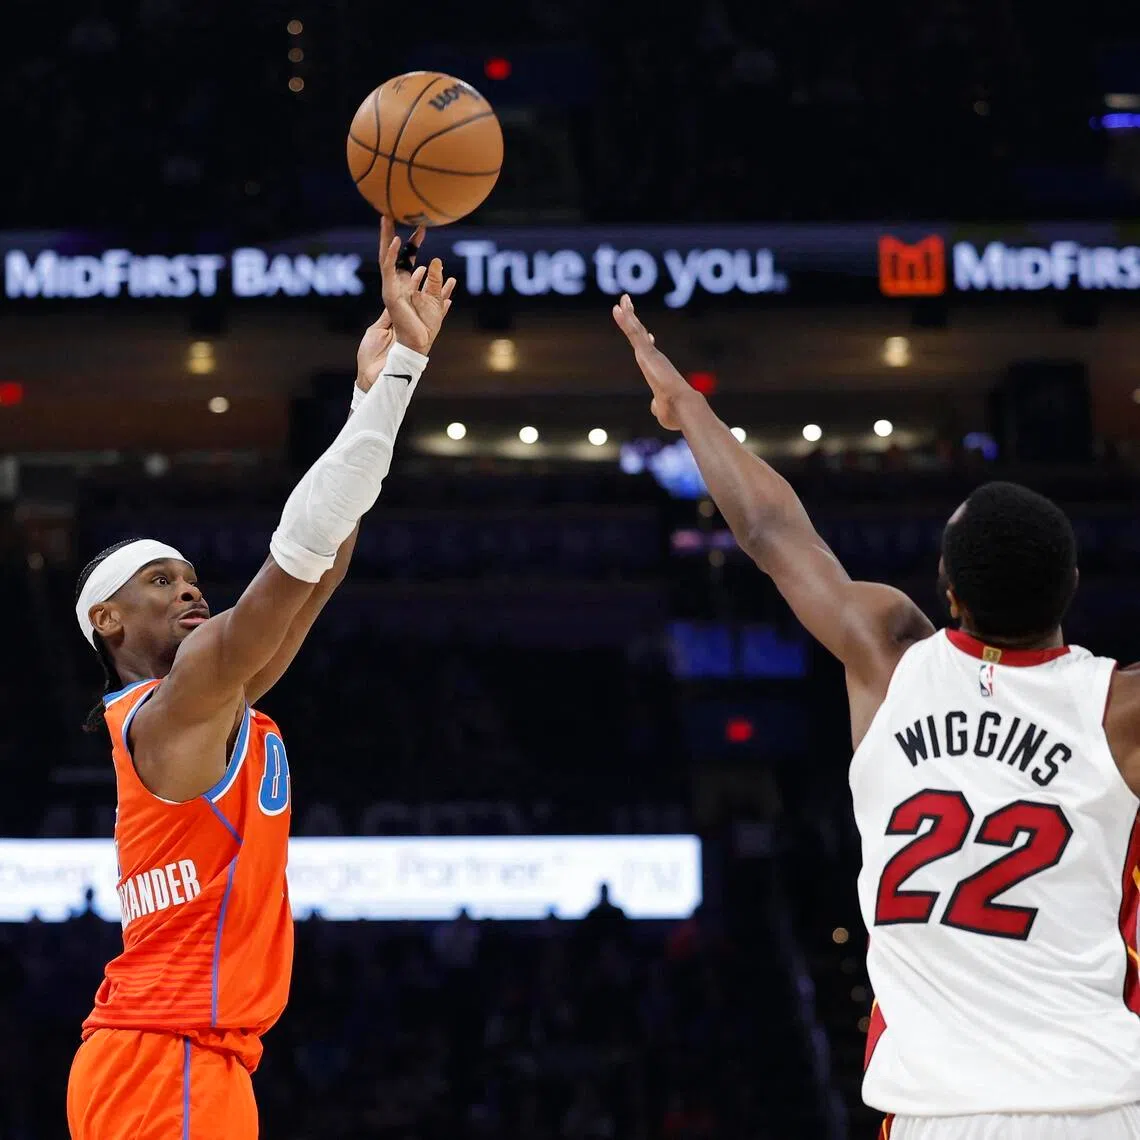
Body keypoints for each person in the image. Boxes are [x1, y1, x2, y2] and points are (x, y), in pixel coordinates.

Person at [613, 292, 1140, 1140]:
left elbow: (770, 528)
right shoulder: (1118, 709)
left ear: (948, 589)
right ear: (1074, 588)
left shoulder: (889, 659)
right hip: (1097, 1108)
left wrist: (688, 408)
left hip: (934, 1114)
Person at [65, 218, 456, 1140]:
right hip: (162, 1059)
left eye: (191, 575)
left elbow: (320, 571)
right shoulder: (176, 706)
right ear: (107, 621)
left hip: (184, 1058)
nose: (188, 587)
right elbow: (297, 551)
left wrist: (370, 392)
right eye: (160, 581)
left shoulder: (215, 697)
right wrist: (397, 383)